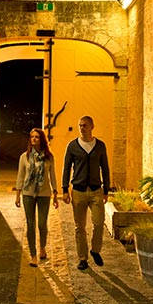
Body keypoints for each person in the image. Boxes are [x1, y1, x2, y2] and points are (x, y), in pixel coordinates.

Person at [61, 115, 110, 270]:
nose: (82, 128)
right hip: (78, 191)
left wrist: (106, 190)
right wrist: (64, 190)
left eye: (84, 125)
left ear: (92, 127)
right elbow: (67, 168)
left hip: (96, 190)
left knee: (98, 223)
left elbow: (105, 168)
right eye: (80, 125)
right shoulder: (72, 146)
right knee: (79, 226)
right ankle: (82, 258)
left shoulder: (100, 146)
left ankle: (95, 250)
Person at [15, 128, 59, 267]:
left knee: (42, 223)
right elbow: (21, 176)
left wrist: (56, 194)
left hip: (44, 194)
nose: (34, 139)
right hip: (28, 193)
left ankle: (43, 247)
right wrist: (17, 195)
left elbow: (52, 176)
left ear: (42, 139)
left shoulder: (49, 157)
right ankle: (33, 255)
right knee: (30, 223)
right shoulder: (24, 157)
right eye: (32, 137)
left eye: (37, 137)